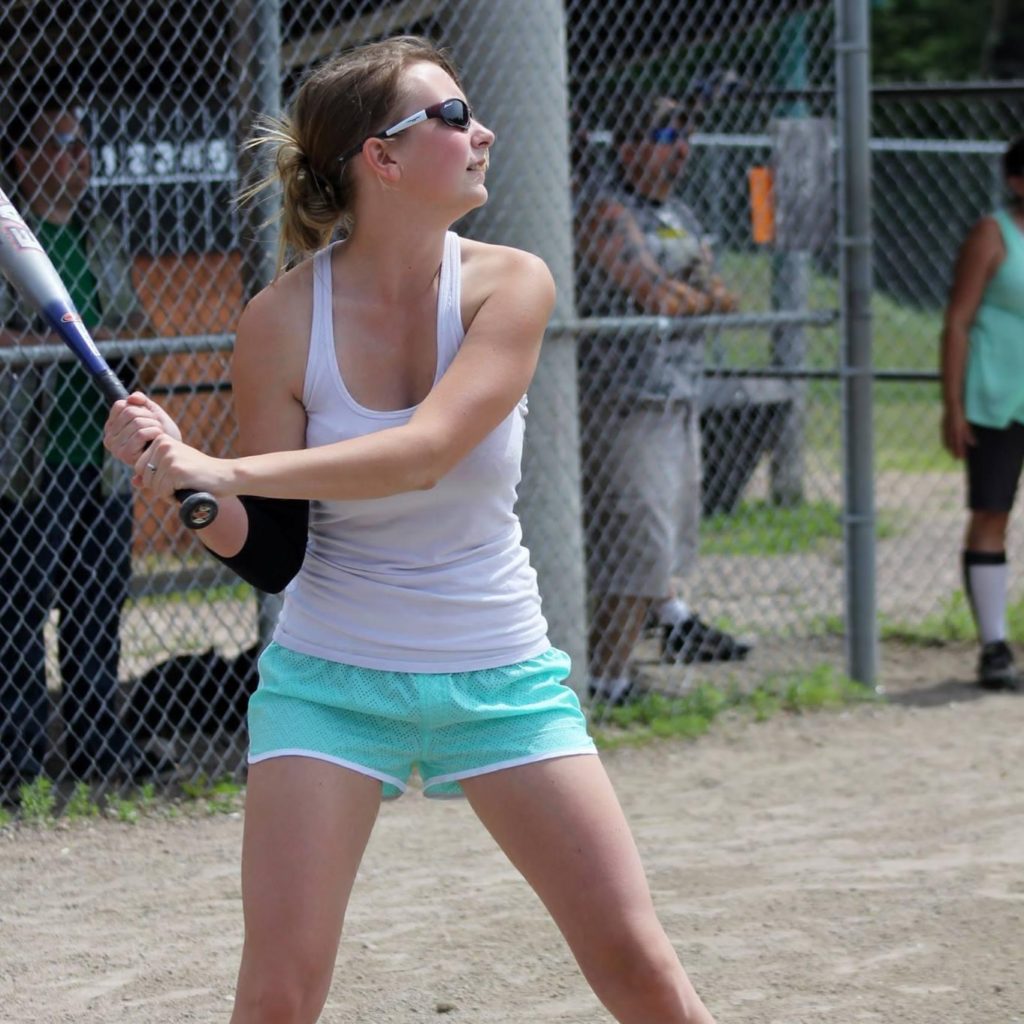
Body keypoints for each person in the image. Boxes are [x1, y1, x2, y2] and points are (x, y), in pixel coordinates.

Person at [104, 36, 719, 1024]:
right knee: (274, 998)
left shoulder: (510, 283)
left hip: (499, 673)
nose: (482, 132)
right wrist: (181, 476)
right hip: (330, 682)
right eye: (451, 116)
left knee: (640, 969)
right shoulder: (278, 318)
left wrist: (227, 468)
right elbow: (270, 550)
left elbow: (424, 450)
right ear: (380, 160)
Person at [0, 96, 170, 796]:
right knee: (19, 613)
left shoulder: (98, 233)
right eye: (60, 146)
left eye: (81, 146)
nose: (78, 159)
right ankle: (17, 762)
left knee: (99, 606)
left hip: (100, 461)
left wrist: (129, 350)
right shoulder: (14, 235)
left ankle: (101, 744)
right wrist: (59, 347)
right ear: (23, 161)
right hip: (27, 463)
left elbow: (139, 331)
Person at [574, 96, 750, 704]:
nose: (682, 147)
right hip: (623, 397)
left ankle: (643, 648)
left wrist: (691, 294)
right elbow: (659, 296)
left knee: (670, 539)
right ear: (627, 147)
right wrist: (689, 294)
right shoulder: (605, 211)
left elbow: (718, 292)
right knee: (639, 541)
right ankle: (606, 678)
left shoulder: (676, 213)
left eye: (686, 133)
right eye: (666, 133)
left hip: (678, 393)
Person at [940, 135, 1024, 690]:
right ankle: (994, 645)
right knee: (991, 515)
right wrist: (953, 404)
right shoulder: (993, 234)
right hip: (999, 399)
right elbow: (958, 321)